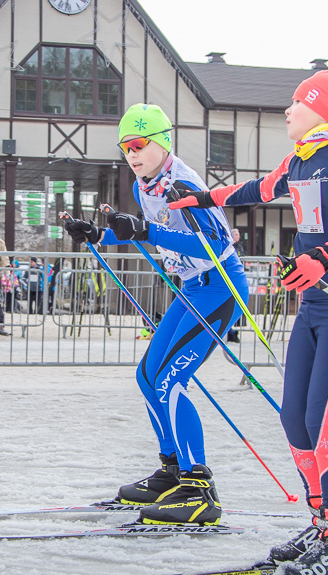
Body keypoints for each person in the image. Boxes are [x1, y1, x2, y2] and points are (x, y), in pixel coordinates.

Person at [168, 71, 328, 575]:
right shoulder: (300, 159)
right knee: (294, 418)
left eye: (297, 101)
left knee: (323, 420)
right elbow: (259, 188)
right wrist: (202, 199)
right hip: (313, 301)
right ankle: (320, 523)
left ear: (324, 108)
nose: (288, 110)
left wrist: (327, 255)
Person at [62, 102, 247, 527]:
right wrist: (100, 234)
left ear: (163, 141)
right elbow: (150, 233)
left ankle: (200, 490)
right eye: (126, 146)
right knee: (148, 377)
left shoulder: (181, 183)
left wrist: (144, 230)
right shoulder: (146, 182)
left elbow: (215, 247)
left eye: (141, 144)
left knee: (171, 381)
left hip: (219, 287)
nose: (133, 153)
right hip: (190, 288)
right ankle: (171, 472)